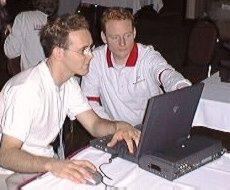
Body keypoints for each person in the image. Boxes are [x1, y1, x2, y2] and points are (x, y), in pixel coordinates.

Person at [0, 13, 140, 189]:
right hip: (10, 174)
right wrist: (53, 164)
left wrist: (119, 126)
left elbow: (94, 125)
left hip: (45, 163)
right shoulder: (26, 90)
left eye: (91, 48)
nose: (91, 56)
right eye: (83, 50)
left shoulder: (68, 83)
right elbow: (7, 155)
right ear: (59, 52)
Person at [81, 7, 191, 126]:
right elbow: (90, 103)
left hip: (153, 126)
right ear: (104, 37)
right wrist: (113, 127)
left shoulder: (147, 55)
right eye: (115, 37)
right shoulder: (95, 60)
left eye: (127, 35)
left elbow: (165, 73)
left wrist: (180, 85)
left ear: (134, 33)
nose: (122, 43)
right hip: (116, 130)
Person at [4, 0, 59, 71]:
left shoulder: (23, 17)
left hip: (31, 77)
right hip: (53, 77)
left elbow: (11, 52)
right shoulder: (58, 23)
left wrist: (11, 33)